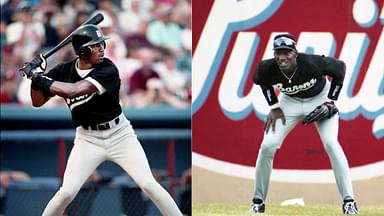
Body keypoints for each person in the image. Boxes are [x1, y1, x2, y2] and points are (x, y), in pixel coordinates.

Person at [20, 24, 183, 216]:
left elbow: (74, 90)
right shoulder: (63, 71)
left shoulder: (108, 69)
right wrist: (35, 78)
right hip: (87, 140)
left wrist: (40, 78)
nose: (101, 49)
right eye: (96, 45)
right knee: (66, 193)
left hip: (120, 135)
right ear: (82, 50)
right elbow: (37, 101)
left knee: (149, 185)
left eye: (101, 44)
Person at [251, 34, 358, 214]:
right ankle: (257, 202)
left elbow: (340, 69)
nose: (282, 57)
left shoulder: (311, 63)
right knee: (267, 145)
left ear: (295, 53)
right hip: (288, 102)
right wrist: (274, 106)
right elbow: (262, 82)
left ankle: (349, 201)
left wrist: (331, 101)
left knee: (331, 143)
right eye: (278, 52)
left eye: (287, 52)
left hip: (319, 98)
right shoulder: (266, 68)